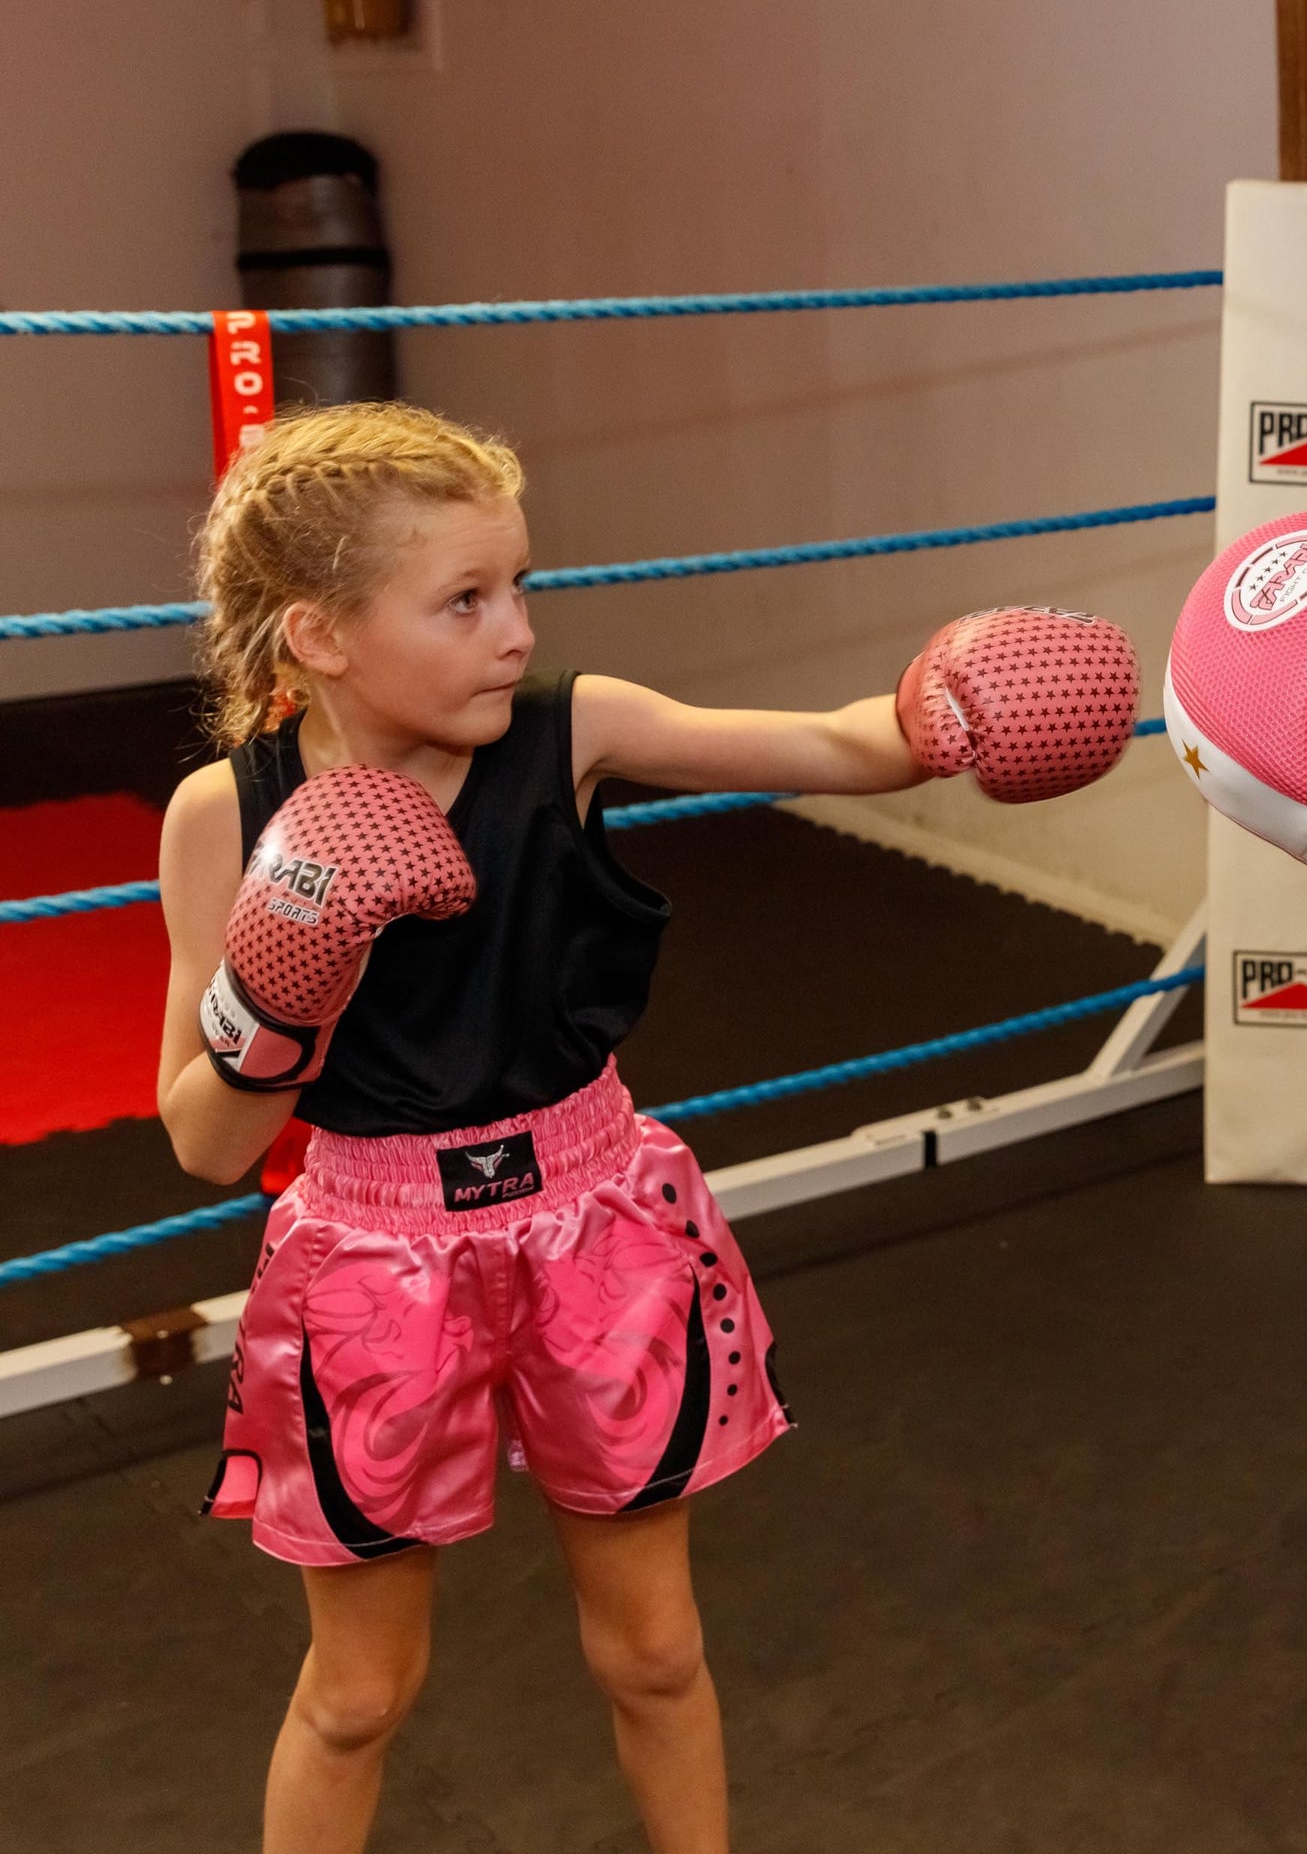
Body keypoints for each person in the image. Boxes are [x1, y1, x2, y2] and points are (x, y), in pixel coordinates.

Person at [157, 400, 1138, 1854]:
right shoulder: (224, 817)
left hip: (592, 1220)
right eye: (465, 600)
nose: (516, 632)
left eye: (520, 586)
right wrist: (278, 985)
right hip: (373, 1248)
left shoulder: (573, 733)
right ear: (319, 635)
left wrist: (939, 717)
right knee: (359, 1693)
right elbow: (206, 1142)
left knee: (657, 1650)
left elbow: (825, 744)